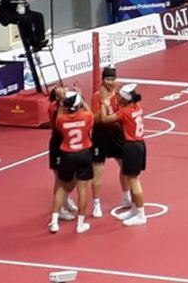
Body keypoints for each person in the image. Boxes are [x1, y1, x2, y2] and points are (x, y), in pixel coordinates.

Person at [99, 84, 148, 226]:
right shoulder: (137, 106)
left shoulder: (125, 112)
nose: (118, 98)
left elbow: (105, 119)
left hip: (132, 146)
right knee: (132, 178)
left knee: (134, 181)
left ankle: (141, 214)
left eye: (120, 96)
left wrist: (104, 103)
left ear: (126, 100)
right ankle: (134, 209)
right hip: (139, 145)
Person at [49, 90, 94, 234]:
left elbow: (59, 115)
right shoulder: (87, 116)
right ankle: (80, 224)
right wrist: (81, 98)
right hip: (84, 153)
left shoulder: (61, 120)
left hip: (67, 155)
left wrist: (62, 101)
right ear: (78, 104)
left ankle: (54, 222)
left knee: (61, 187)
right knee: (83, 190)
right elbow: (90, 112)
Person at [90, 67, 131, 219]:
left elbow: (122, 114)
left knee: (125, 165)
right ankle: (96, 204)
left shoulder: (119, 95)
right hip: (100, 134)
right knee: (98, 170)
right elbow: (95, 119)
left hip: (116, 132)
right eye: (108, 79)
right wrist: (103, 104)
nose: (111, 82)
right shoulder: (96, 96)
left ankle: (126, 196)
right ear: (103, 79)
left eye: (113, 79)